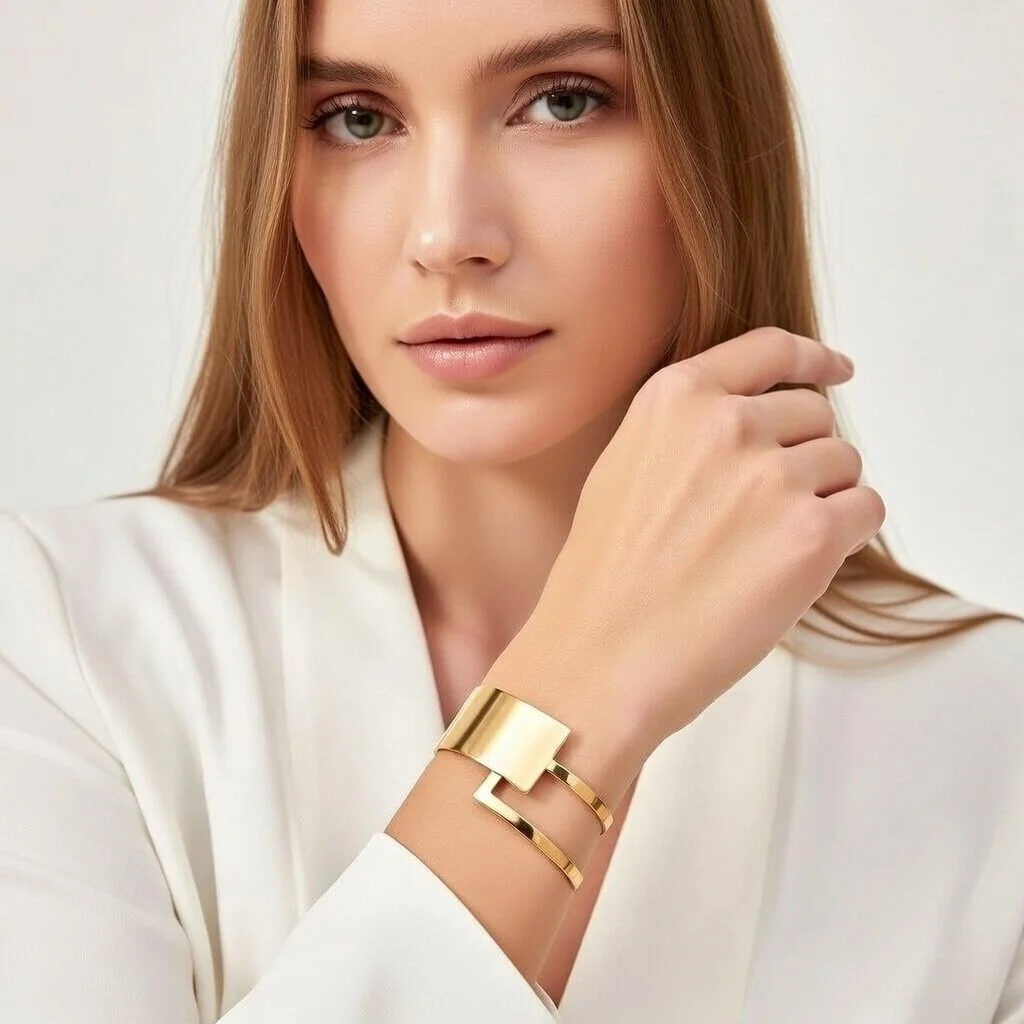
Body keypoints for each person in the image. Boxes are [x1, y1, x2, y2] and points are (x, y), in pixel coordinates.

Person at [1, 0, 1022, 1020]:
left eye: (563, 102)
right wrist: (585, 683)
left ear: (712, 134)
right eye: (356, 118)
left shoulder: (991, 736)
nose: (447, 237)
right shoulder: (62, 648)